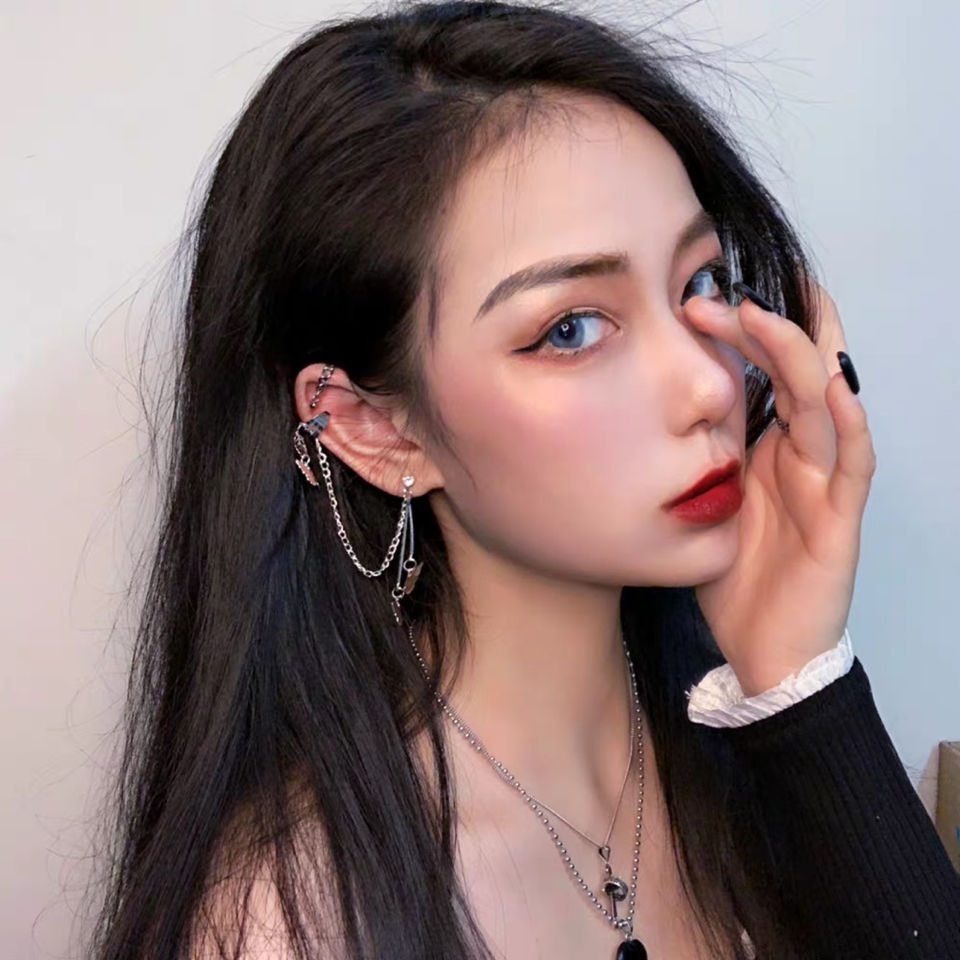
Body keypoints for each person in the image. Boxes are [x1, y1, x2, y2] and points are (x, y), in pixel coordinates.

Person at [86, 2, 960, 959]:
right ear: (373, 429)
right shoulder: (290, 921)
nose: (711, 386)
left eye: (701, 284)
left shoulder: (741, 736)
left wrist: (798, 683)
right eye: (570, 329)